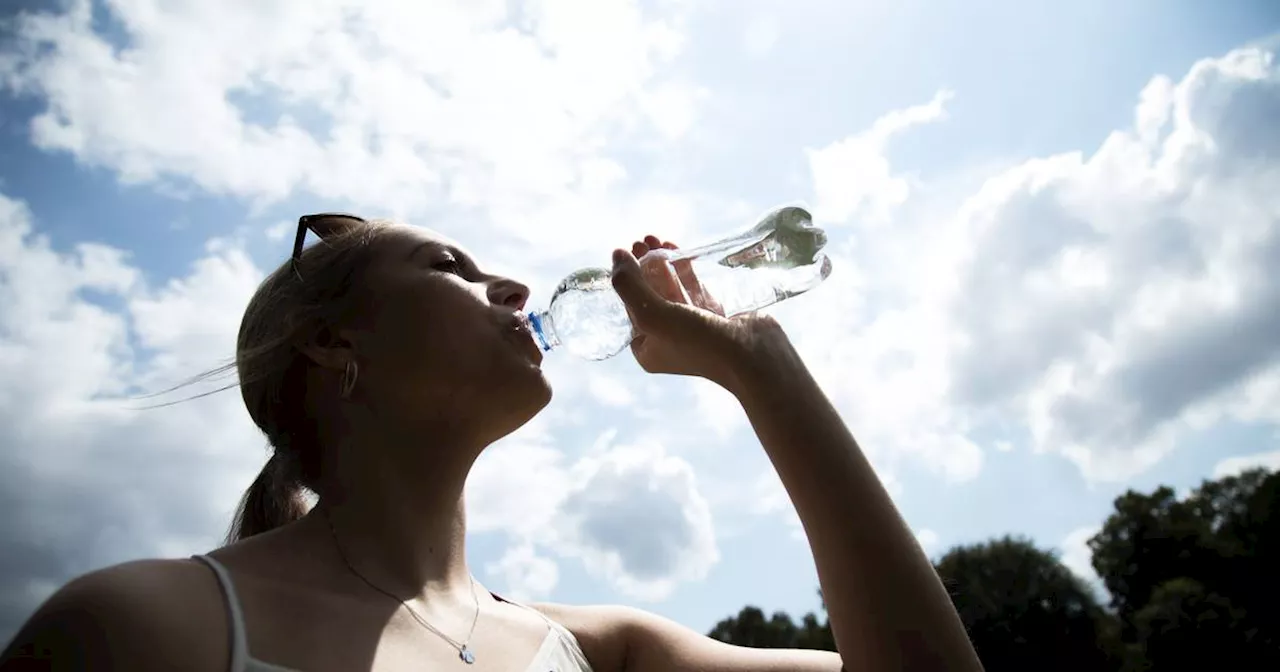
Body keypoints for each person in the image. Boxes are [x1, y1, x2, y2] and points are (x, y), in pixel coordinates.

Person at [1, 214, 982, 672]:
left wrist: (762, 369)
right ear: (336, 344)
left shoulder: (604, 651)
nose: (510, 285)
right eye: (451, 268)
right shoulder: (143, 627)